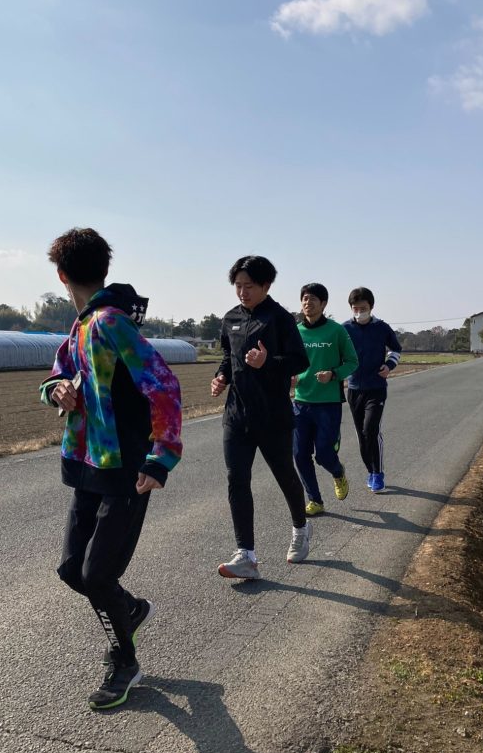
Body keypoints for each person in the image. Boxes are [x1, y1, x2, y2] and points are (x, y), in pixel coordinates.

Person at [40, 227, 182, 710]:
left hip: (125, 470)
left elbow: (164, 385)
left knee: (97, 575)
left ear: (61, 275)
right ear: (102, 269)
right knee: (72, 570)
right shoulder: (79, 327)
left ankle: (125, 662)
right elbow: (59, 375)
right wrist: (56, 390)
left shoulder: (110, 323)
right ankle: (130, 610)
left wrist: (161, 458)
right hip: (87, 466)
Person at [211, 255, 311, 579]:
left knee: (285, 475)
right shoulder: (230, 318)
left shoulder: (280, 318)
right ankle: (246, 556)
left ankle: (301, 528)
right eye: (238, 286)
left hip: (272, 416)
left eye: (249, 286)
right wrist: (221, 377)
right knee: (237, 479)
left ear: (266, 285)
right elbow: (228, 357)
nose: (243, 292)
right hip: (236, 415)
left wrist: (267, 362)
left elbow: (300, 362)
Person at [293, 283, 359, 515]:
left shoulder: (336, 331)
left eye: (312, 299)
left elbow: (352, 362)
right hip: (301, 402)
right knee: (300, 455)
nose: (307, 303)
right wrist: (291, 376)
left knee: (323, 454)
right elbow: (290, 362)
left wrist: (333, 374)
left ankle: (338, 472)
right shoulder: (296, 332)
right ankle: (315, 500)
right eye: (304, 298)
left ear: (323, 304)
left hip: (328, 404)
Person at [342, 286, 401, 493]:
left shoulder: (382, 328)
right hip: (354, 388)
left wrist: (389, 365)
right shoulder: (344, 329)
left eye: (363, 308)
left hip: (376, 387)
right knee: (361, 434)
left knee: (371, 430)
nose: (359, 312)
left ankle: (378, 473)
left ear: (371, 307)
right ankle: (370, 470)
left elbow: (396, 349)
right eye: (355, 308)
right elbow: (336, 353)